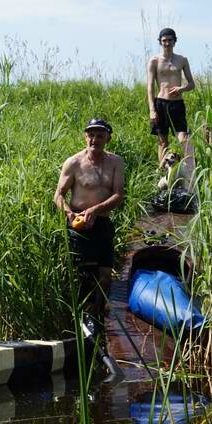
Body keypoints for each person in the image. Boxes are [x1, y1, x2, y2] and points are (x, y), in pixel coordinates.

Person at [54, 118, 125, 323]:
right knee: (85, 276)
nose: (95, 139)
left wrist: (95, 209)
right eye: (91, 135)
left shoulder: (115, 162)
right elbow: (58, 195)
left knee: (105, 275)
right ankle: (82, 319)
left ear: (108, 139)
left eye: (100, 135)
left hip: (102, 223)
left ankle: (98, 316)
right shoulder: (74, 162)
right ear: (85, 136)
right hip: (79, 225)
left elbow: (118, 195)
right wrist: (69, 213)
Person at [147, 27, 195, 186]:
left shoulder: (182, 60)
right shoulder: (154, 61)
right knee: (163, 142)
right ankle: (162, 176)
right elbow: (150, 88)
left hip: (177, 104)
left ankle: (190, 174)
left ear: (175, 41)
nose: (167, 43)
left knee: (184, 139)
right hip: (160, 103)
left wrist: (182, 88)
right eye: (164, 41)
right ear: (160, 42)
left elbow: (191, 84)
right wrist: (152, 109)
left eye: (169, 40)